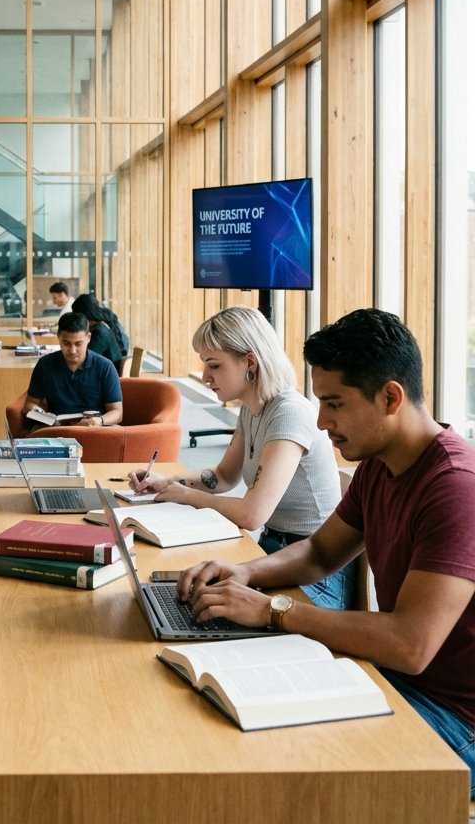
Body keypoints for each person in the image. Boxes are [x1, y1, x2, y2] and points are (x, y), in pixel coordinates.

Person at [175, 309, 474, 795]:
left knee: (285, 770)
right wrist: (245, 573)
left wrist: (273, 610)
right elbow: (318, 552)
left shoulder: (455, 488)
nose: (320, 421)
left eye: (334, 404)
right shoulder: (380, 464)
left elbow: (410, 645)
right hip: (393, 678)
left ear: (391, 397)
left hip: (456, 718)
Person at [128, 305, 350, 609]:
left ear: (250, 362)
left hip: (315, 572)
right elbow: (223, 477)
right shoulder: (251, 408)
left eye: (214, 366)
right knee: (185, 593)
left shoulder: (289, 413)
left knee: (206, 606)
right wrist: (169, 481)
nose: (205, 377)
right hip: (274, 550)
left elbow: (251, 515)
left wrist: (186, 496)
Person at [22, 311, 123, 431]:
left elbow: (117, 412)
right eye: (66, 343)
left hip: (93, 429)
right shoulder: (45, 364)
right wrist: (43, 416)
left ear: (88, 337)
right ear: (58, 337)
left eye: (78, 344)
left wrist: (99, 421)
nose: (72, 350)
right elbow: (29, 404)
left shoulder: (105, 367)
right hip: (57, 428)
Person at [70, 293, 125, 373]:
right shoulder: (103, 326)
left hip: (105, 376)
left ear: (84, 315)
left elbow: (85, 359)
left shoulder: (100, 332)